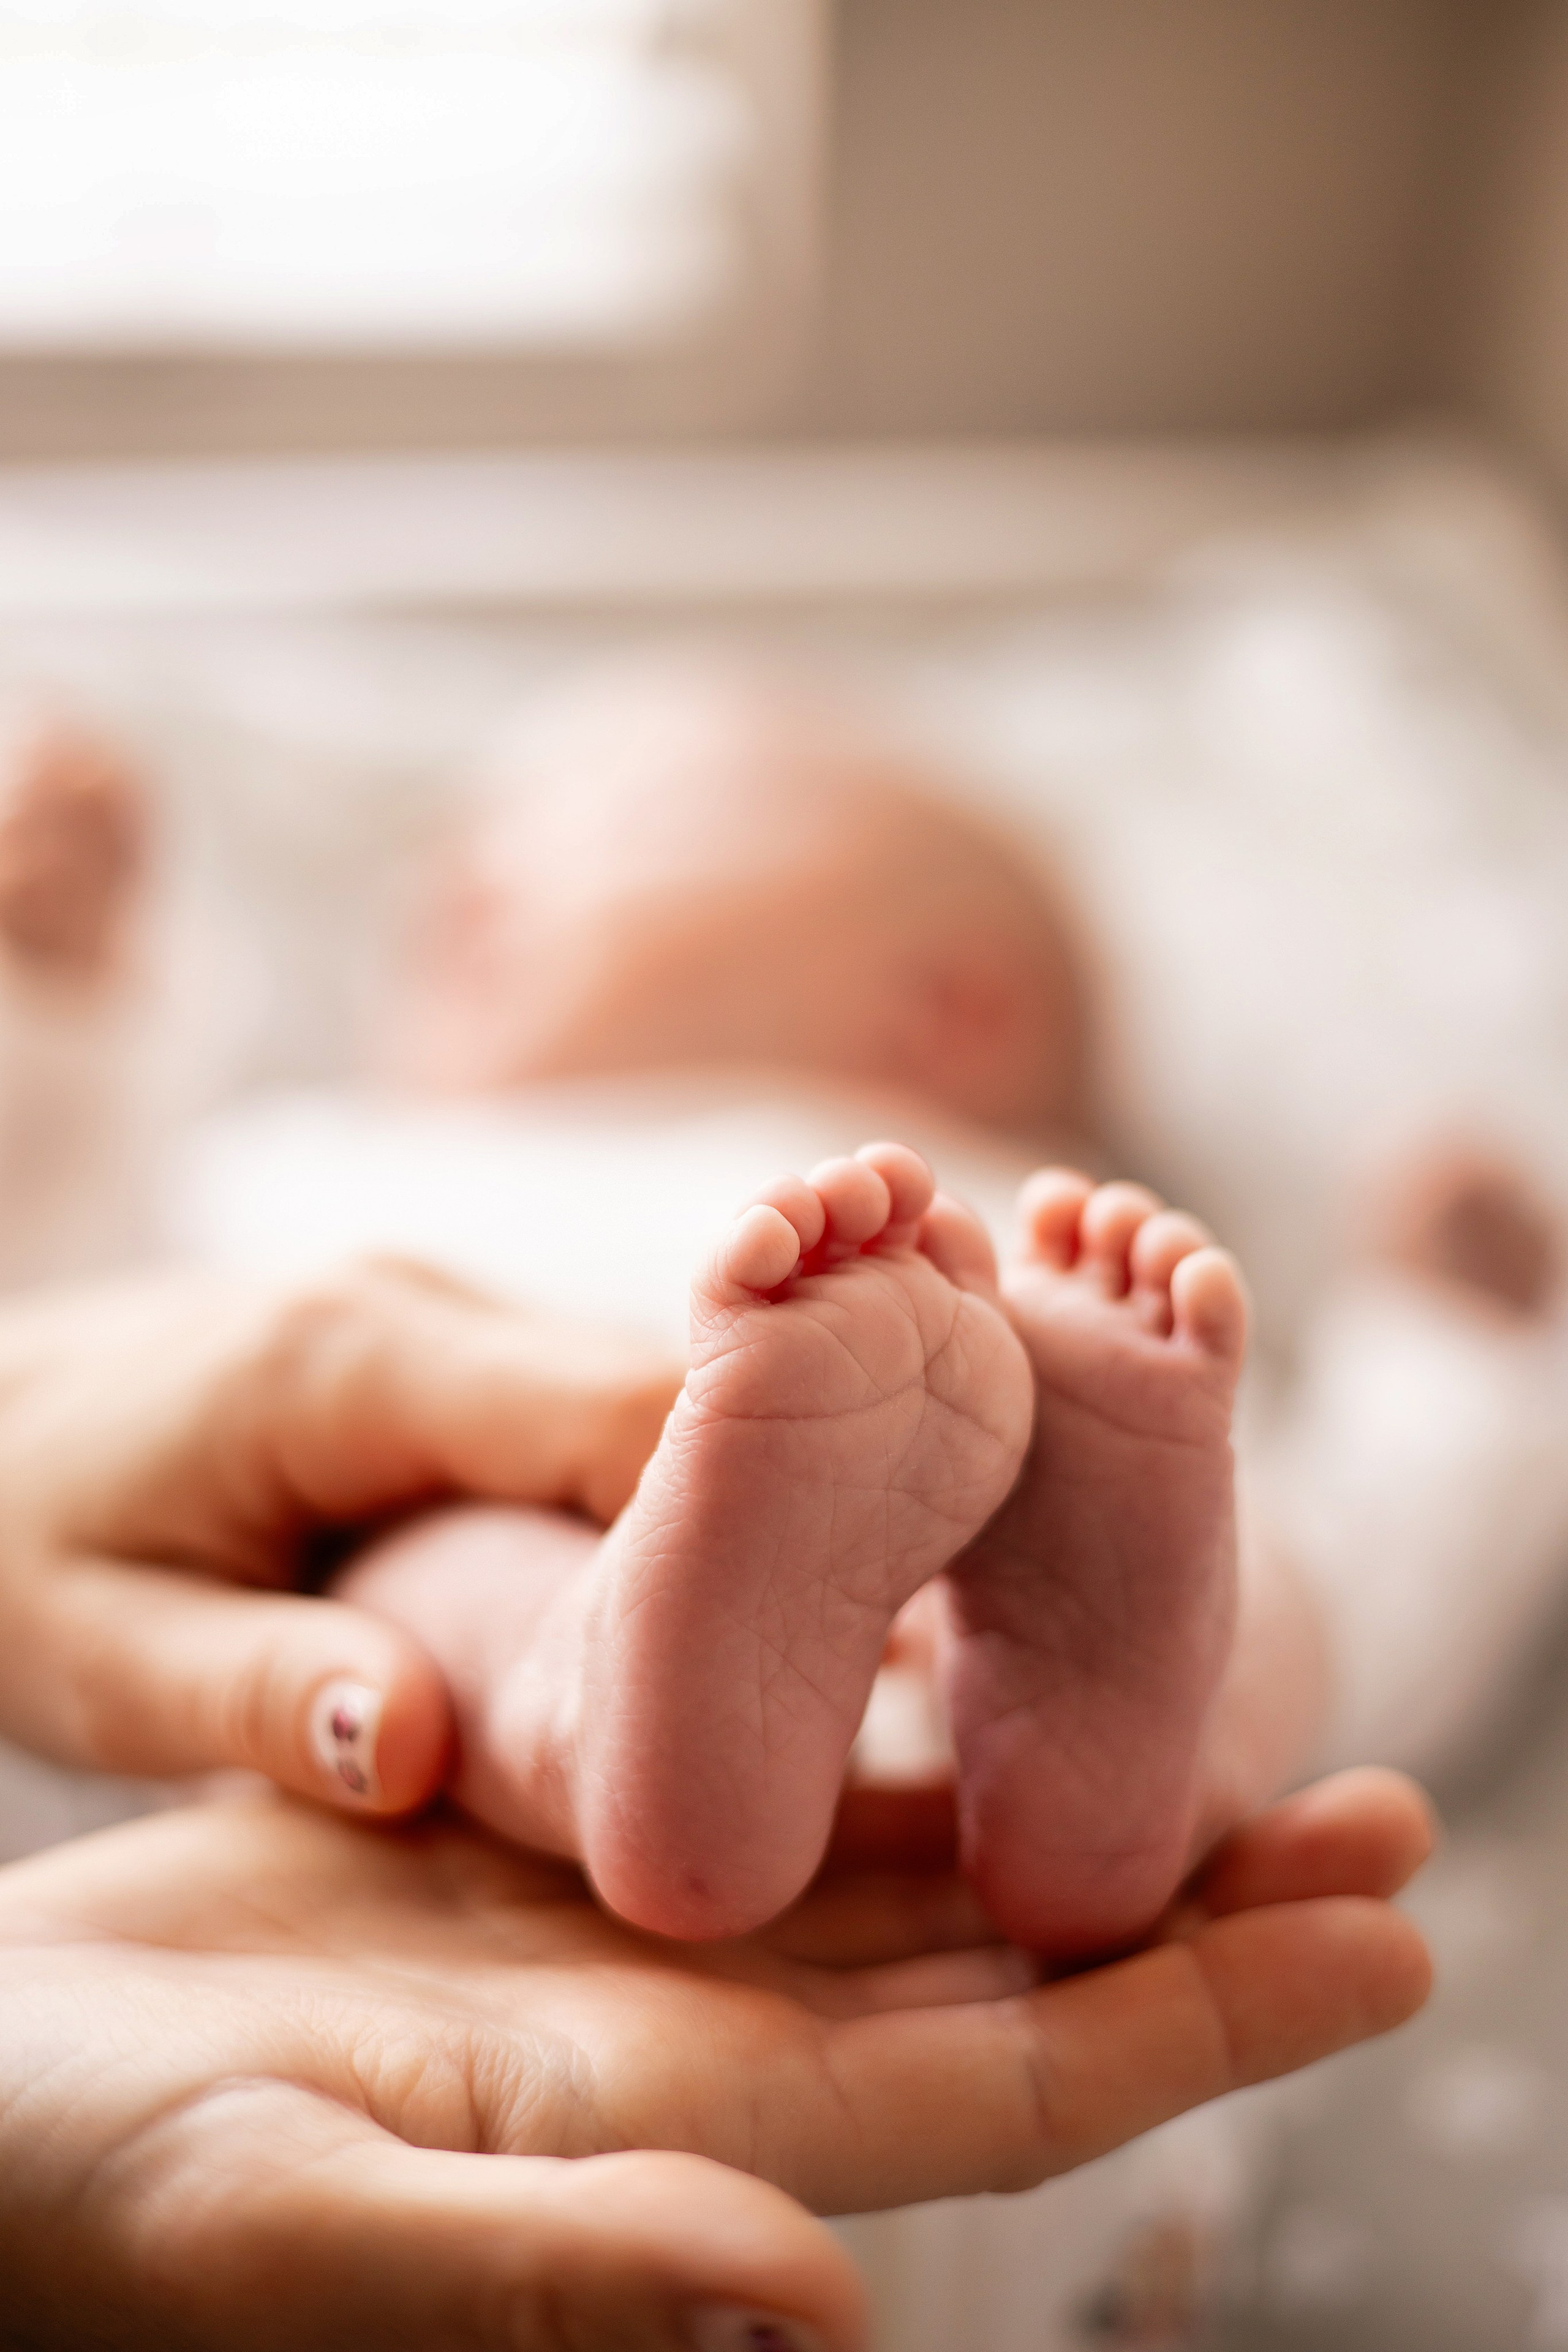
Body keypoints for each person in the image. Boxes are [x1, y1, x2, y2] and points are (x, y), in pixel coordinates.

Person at [0, 1254, 1434, 2351]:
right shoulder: (1102, 1268)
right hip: (1085, 2146)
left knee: (428, 1552)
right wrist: (1469, 1348)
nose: (469, 913)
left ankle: (595, 1709)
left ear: (958, 1010)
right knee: (1295, 1590)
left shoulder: (338, 1148)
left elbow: (56, 1183)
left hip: (519, 1978)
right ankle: (1141, 1767)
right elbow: (1418, 1534)